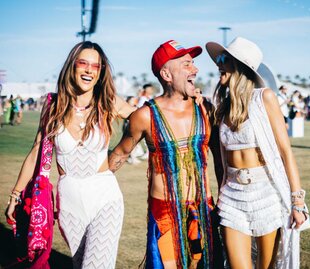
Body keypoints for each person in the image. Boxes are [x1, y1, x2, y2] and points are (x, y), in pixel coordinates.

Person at [5, 41, 135, 269]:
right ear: (71, 66)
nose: (88, 70)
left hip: (105, 198)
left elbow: (147, 122)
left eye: (95, 66)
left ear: (101, 72)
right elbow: (36, 151)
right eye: (83, 63)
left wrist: (124, 149)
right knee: (80, 264)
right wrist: (15, 196)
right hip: (69, 205)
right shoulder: (53, 106)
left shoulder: (109, 102)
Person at [109, 40, 223, 269]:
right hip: (165, 215)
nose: (195, 69)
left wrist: (223, 201)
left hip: (203, 210)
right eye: (187, 64)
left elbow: (219, 160)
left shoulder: (205, 110)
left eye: (193, 63)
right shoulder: (145, 116)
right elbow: (120, 155)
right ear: (166, 75)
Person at [205, 37, 308, 268]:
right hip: (232, 196)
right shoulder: (221, 107)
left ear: (240, 66)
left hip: (266, 194)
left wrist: (297, 203)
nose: (218, 64)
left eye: (223, 59)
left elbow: (285, 153)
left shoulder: (265, 98)